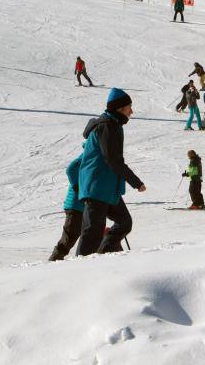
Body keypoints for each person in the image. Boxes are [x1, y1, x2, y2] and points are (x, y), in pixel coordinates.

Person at [76, 88, 146, 256]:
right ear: (120, 108)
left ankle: (103, 254)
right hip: (97, 186)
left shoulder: (113, 124)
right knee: (92, 231)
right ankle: (80, 268)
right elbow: (113, 160)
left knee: (124, 222)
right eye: (129, 107)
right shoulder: (107, 126)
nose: (132, 111)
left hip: (107, 188)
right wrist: (136, 183)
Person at [49, 154, 85, 261]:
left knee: (90, 235)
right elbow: (71, 169)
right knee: (69, 238)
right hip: (76, 206)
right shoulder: (89, 152)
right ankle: (53, 262)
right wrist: (79, 190)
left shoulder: (102, 152)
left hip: (88, 205)